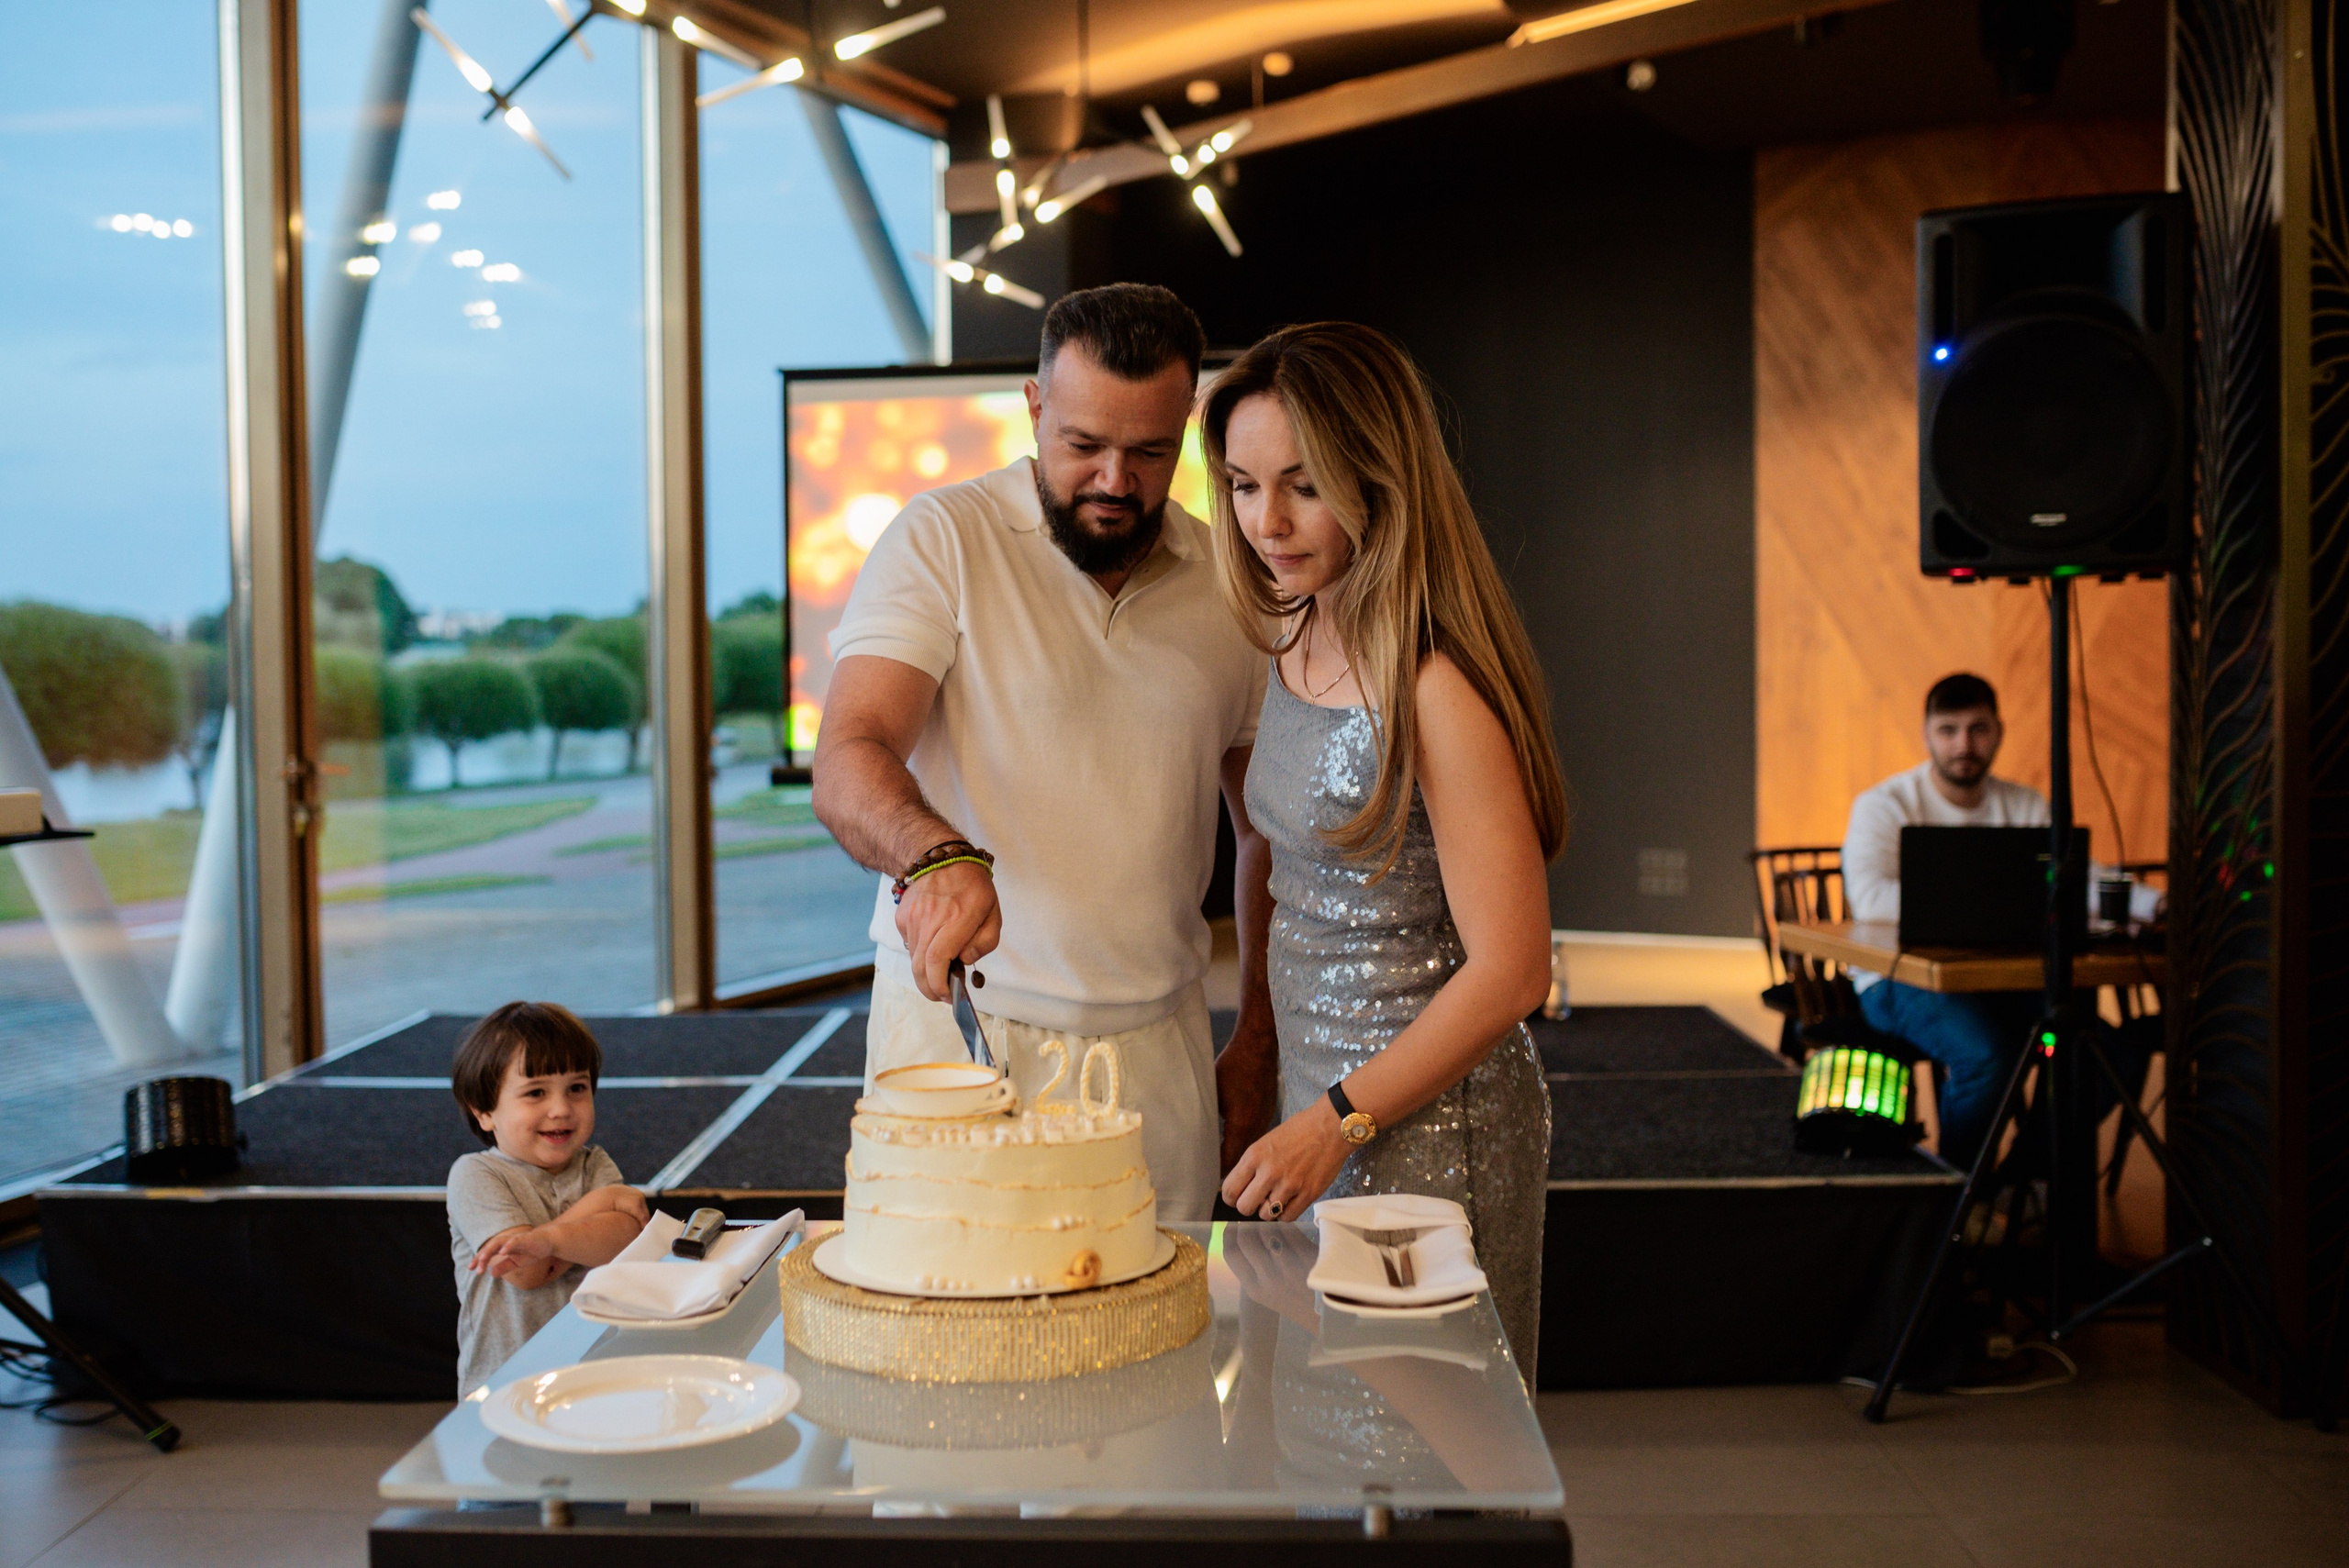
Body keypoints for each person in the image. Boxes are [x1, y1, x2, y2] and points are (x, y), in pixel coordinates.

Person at [811, 283, 1275, 1221]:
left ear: (1187, 422)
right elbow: (850, 752)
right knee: (947, 1337)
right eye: (1082, 445)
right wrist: (934, 854)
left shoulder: (1233, 583)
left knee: (1150, 1348)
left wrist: (1258, 1034)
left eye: (1148, 451)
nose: (1114, 478)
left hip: (1159, 1046)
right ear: (1034, 407)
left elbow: (1268, 836)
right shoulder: (942, 537)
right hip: (959, 1037)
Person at [1206, 323, 1566, 1375]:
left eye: (1303, 486)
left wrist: (1338, 1120)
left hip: (1420, 1119)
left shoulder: (1435, 686)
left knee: (1425, 1453)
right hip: (1319, 1098)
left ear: (1381, 480)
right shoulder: (1295, 632)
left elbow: (1513, 969)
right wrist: (1265, 1047)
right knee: (1327, 1448)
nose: (1265, 521)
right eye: (1239, 483)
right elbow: (1269, 854)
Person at [1841, 673, 2049, 1166]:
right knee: (1985, 1058)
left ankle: (2019, 1177)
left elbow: (2072, 882)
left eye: (1978, 729)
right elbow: (1869, 900)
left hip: (2003, 979)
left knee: (2095, 1052)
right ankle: (1956, 1200)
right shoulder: (1883, 805)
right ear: (1926, 734)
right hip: (1897, 977)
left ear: (1999, 731)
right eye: (1948, 729)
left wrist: (2152, 905)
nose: (1964, 744)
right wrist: (1989, 902)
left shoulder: (2026, 805)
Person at [446, 1002, 648, 1396]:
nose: (561, 1109)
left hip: (597, 1373)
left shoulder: (595, 1164)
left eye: (577, 1088)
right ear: (484, 1112)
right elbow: (524, 1269)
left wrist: (548, 1241)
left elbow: (623, 1239)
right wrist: (598, 1206)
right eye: (535, 1092)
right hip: (505, 1384)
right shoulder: (475, 1175)